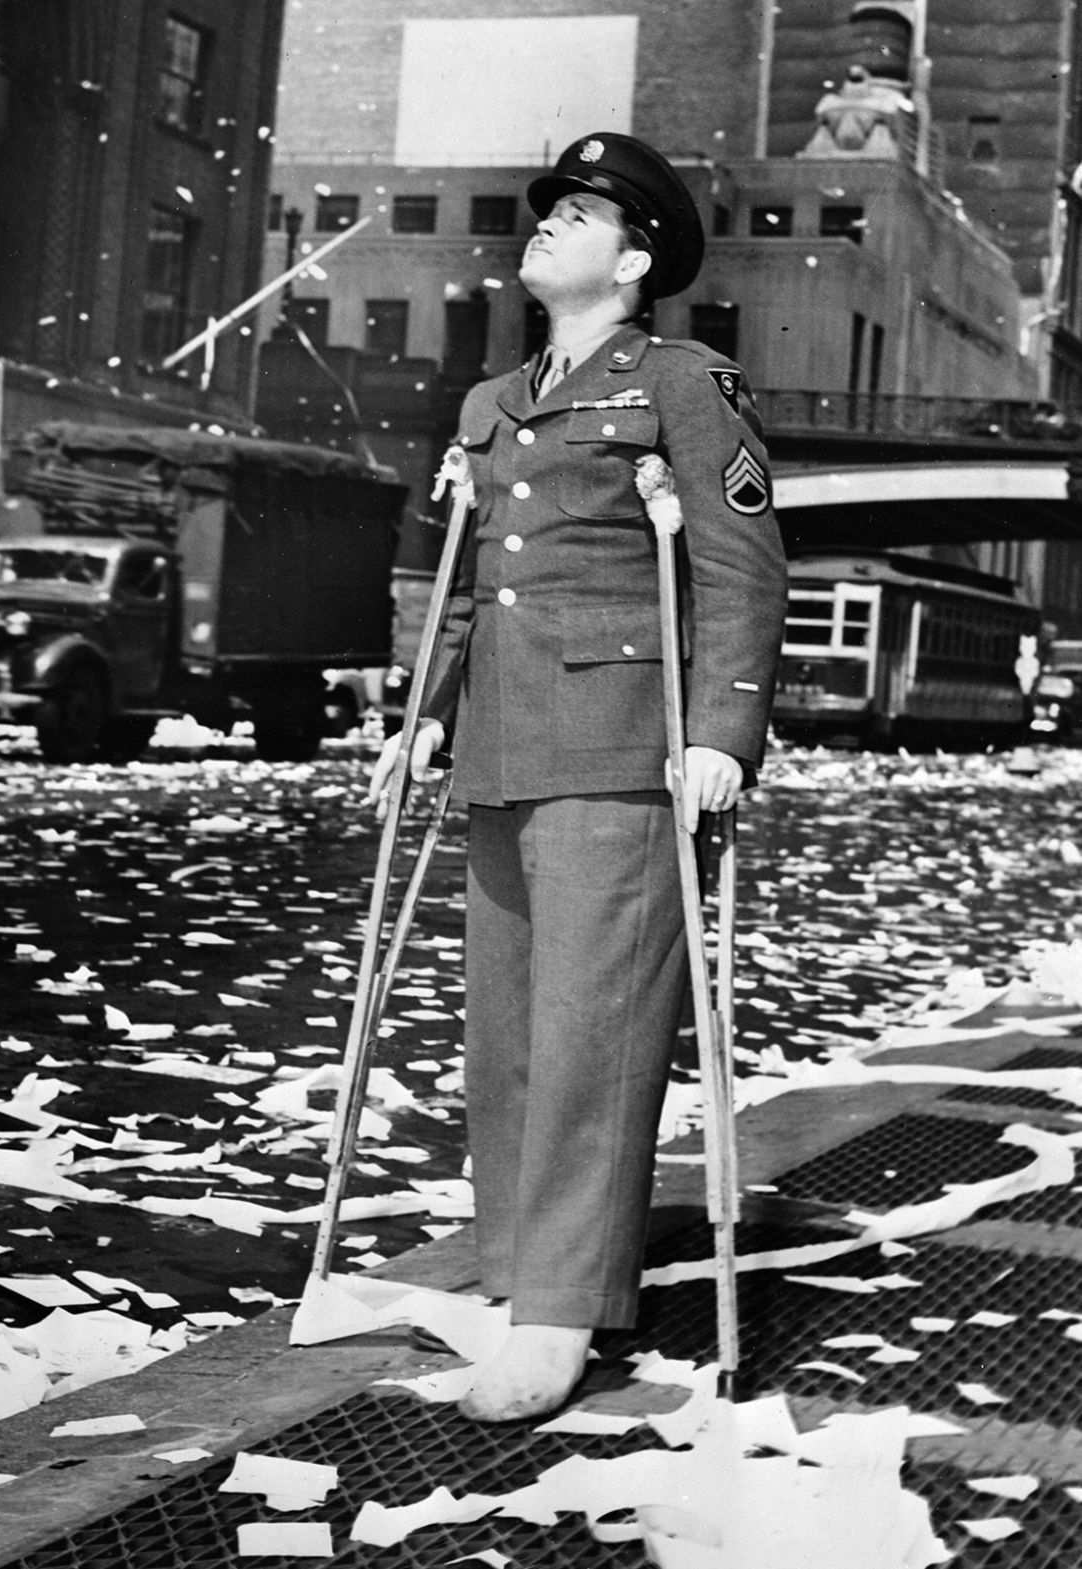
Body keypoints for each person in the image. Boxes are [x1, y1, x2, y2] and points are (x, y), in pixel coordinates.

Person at [368, 132, 787, 1423]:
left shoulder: (680, 384)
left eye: (580, 213)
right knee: (506, 1038)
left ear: (638, 256)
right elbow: (458, 583)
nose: (544, 226)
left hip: (620, 746)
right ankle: (518, 1272)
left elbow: (738, 566)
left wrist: (721, 730)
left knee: (591, 1039)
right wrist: (420, 714)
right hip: (500, 746)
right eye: (546, 209)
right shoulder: (492, 404)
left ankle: (559, 1315)